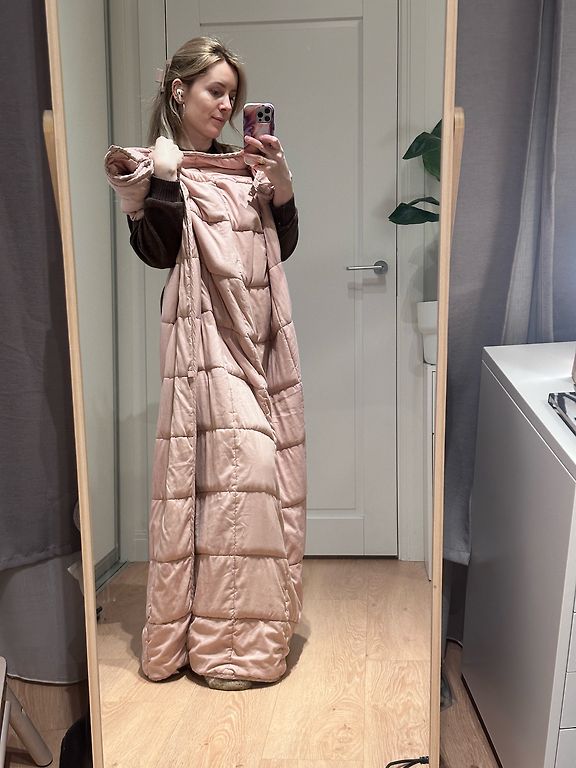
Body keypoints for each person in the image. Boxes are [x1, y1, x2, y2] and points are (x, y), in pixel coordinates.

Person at [105, 36, 306, 691]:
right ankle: (225, 648)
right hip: (204, 344)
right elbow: (157, 251)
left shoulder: (246, 167)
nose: (226, 105)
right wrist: (165, 180)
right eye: (215, 91)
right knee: (241, 474)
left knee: (243, 481)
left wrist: (282, 187)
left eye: (232, 95)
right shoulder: (156, 166)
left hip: (261, 335)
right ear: (179, 91)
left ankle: (234, 639)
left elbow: (278, 247)